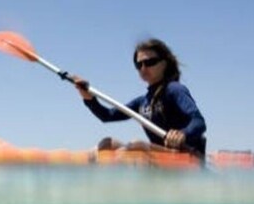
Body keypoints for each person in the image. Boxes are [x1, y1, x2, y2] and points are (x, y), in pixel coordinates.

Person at [72, 38, 207, 155]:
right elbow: (107, 115)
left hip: (186, 154)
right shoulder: (142, 102)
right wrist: (88, 97)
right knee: (107, 144)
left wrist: (183, 134)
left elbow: (199, 121)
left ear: (164, 63)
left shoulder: (174, 90)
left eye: (149, 62)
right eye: (139, 64)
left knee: (136, 145)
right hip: (163, 154)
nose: (143, 68)